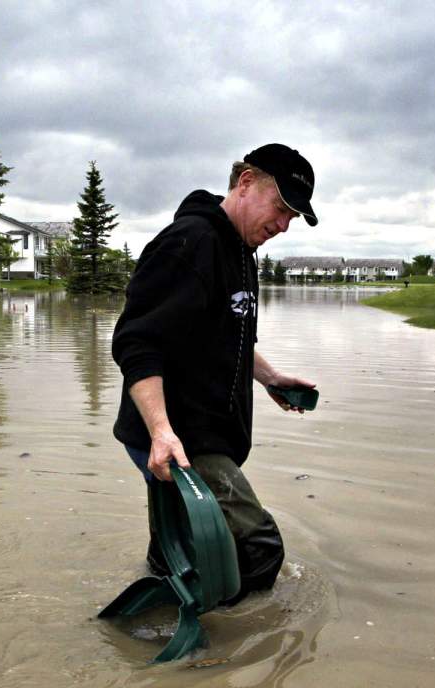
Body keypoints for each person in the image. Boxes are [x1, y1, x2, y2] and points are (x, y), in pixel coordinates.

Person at [111, 143, 318, 603]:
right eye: (281, 208)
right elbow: (137, 343)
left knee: (179, 549)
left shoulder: (241, 249)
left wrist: (269, 379)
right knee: (258, 547)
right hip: (179, 436)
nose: (283, 226)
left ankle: (161, 632)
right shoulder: (189, 243)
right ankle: (236, 652)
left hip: (197, 434)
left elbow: (226, 333)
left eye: (293, 218)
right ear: (246, 183)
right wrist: (162, 433)